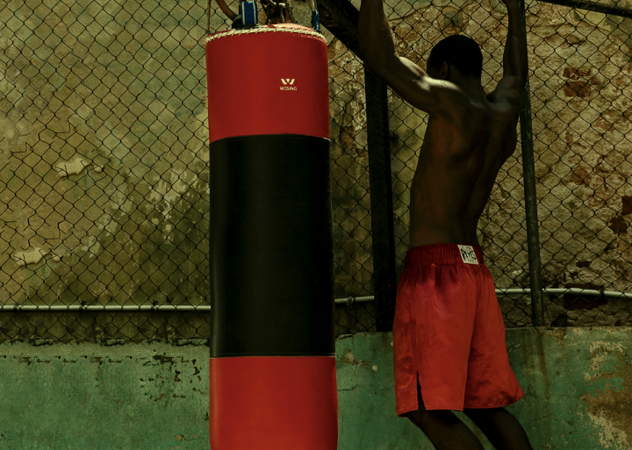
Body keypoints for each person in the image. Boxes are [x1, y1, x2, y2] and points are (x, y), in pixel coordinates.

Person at [358, 0, 534, 449]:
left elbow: (380, 59)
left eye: (435, 71)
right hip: (473, 270)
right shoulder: (504, 110)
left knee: (424, 405)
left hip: (435, 274)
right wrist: (515, 11)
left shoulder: (452, 104)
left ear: (445, 67)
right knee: (484, 404)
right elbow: (516, 73)